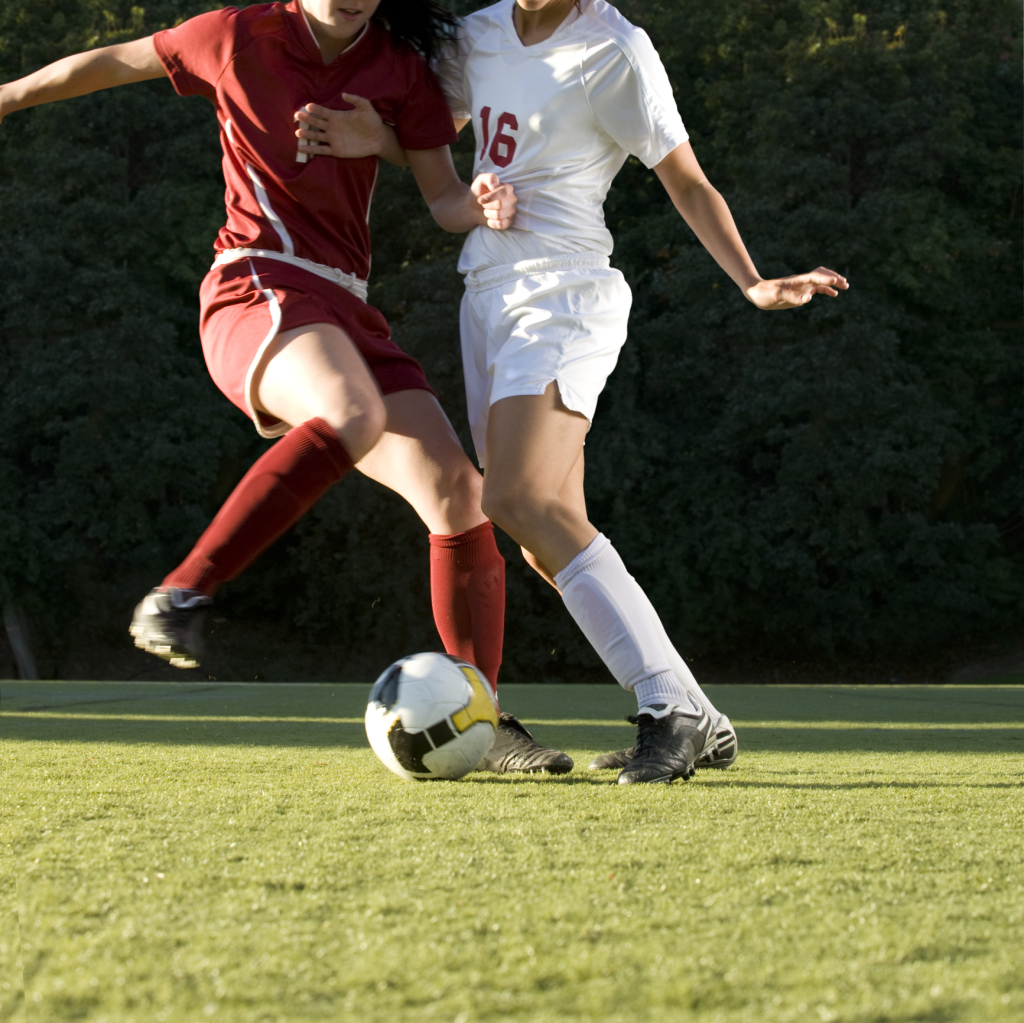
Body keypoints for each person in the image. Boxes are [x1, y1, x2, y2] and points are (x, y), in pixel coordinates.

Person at [0, 0, 571, 774]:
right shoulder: (236, 35)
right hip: (255, 282)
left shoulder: (401, 68)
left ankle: (486, 717)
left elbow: (441, 197)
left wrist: (476, 206)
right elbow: (107, 63)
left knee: (458, 493)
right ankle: (182, 592)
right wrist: (8, 96)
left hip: (346, 303)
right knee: (352, 413)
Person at [300, 0, 848, 783]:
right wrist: (374, 139)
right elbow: (436, 137)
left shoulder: (614, 49)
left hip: (566, 294)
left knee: (513, 499)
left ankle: (669, 706)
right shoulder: (477, 34)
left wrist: (754, 282)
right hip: (485, 293)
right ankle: (702, 713)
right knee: (543, 531)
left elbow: (686, 181)